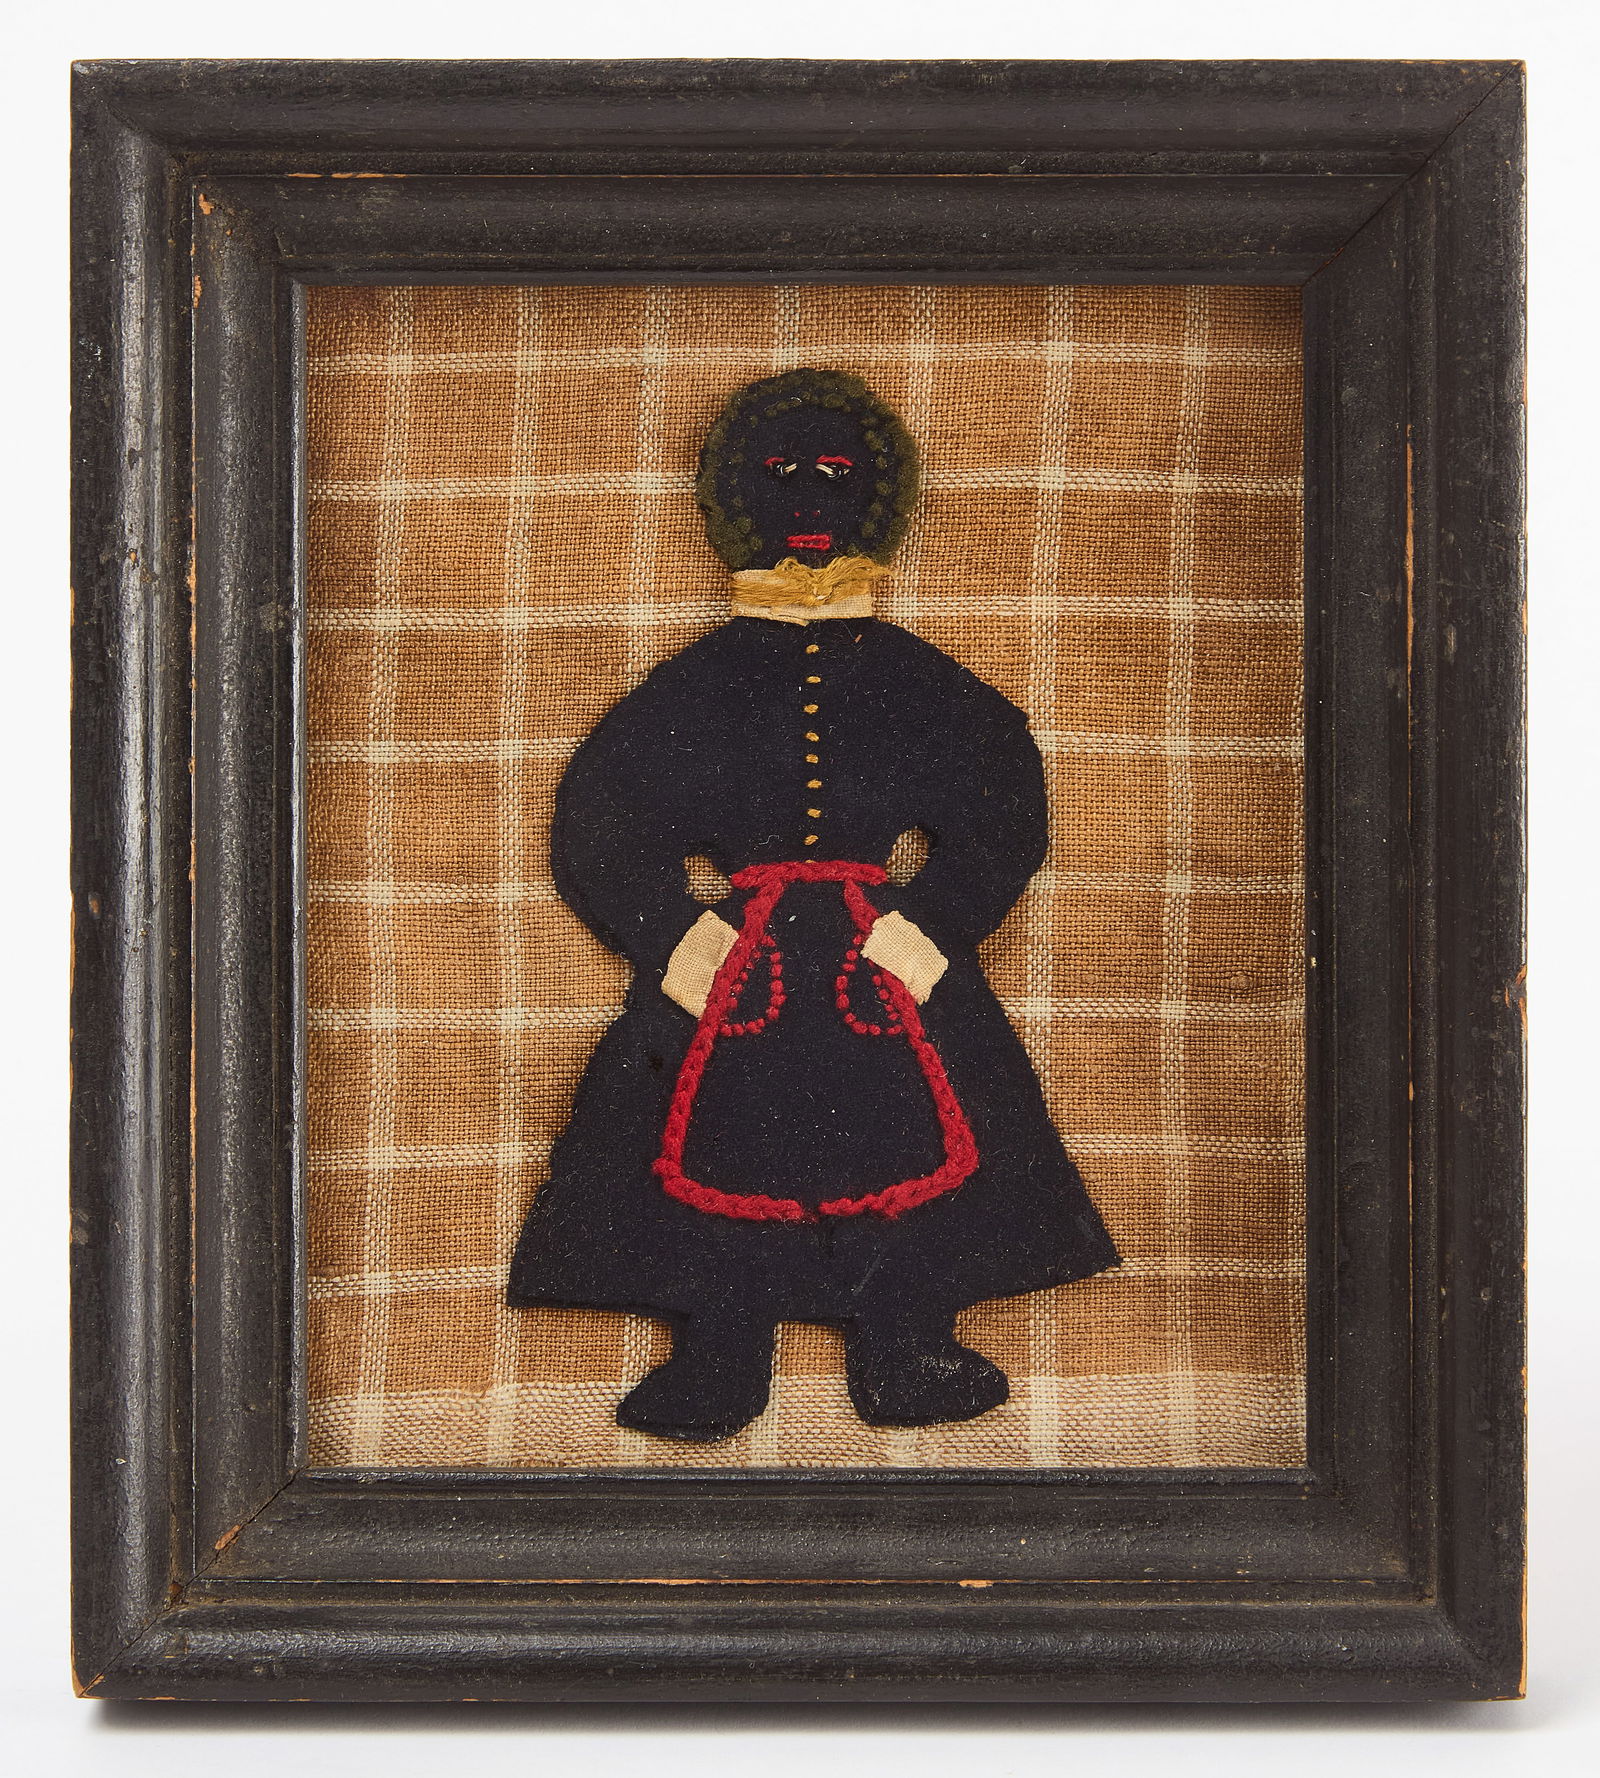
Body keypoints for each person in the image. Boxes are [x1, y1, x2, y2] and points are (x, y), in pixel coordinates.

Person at [507, 368, 1119, 1441]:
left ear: (875, 501)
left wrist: (930, 929)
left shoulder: (922, 683)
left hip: (880, 960)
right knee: (707, 1135)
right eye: (778, 474)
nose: (805, 497)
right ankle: (718, 1351)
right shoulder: (694, 685)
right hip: (736, 965)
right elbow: (601, 823)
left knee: (913, 1134)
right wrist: (677, 939)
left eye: (834, 475)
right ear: (736, 498)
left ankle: (905, 1342)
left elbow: (1005, 809)